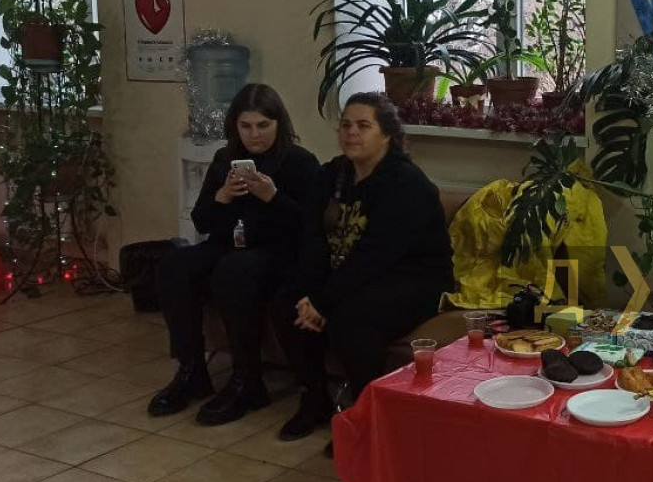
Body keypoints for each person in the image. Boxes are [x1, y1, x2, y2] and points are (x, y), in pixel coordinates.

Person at [270, 93, 453, 441]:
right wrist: (310, 293)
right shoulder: (330, 175)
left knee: (351, 319)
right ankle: (314, 398)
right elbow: (313, 241)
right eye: (345, 125)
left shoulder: (406, 183)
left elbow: (376, 256)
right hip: (349, 273)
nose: (351, 133)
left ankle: (367, 415)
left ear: (386, 134)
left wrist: (324, 301)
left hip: (412, 279)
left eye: (363, 125)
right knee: (286, 302)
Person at [149, 84, 318, 425]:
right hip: (229, 244)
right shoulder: (225, 159)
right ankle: (191, 369)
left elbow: (308, 228)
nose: (254, 135)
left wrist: (273, 197)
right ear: (235, 126)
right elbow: (202, 221)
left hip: (277, 253)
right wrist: (223, 196)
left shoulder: (300, 162)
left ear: (279, 124)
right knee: (175, 264)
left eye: (263, 125)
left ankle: (247, 379)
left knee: (234, 269)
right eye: (246, 126)